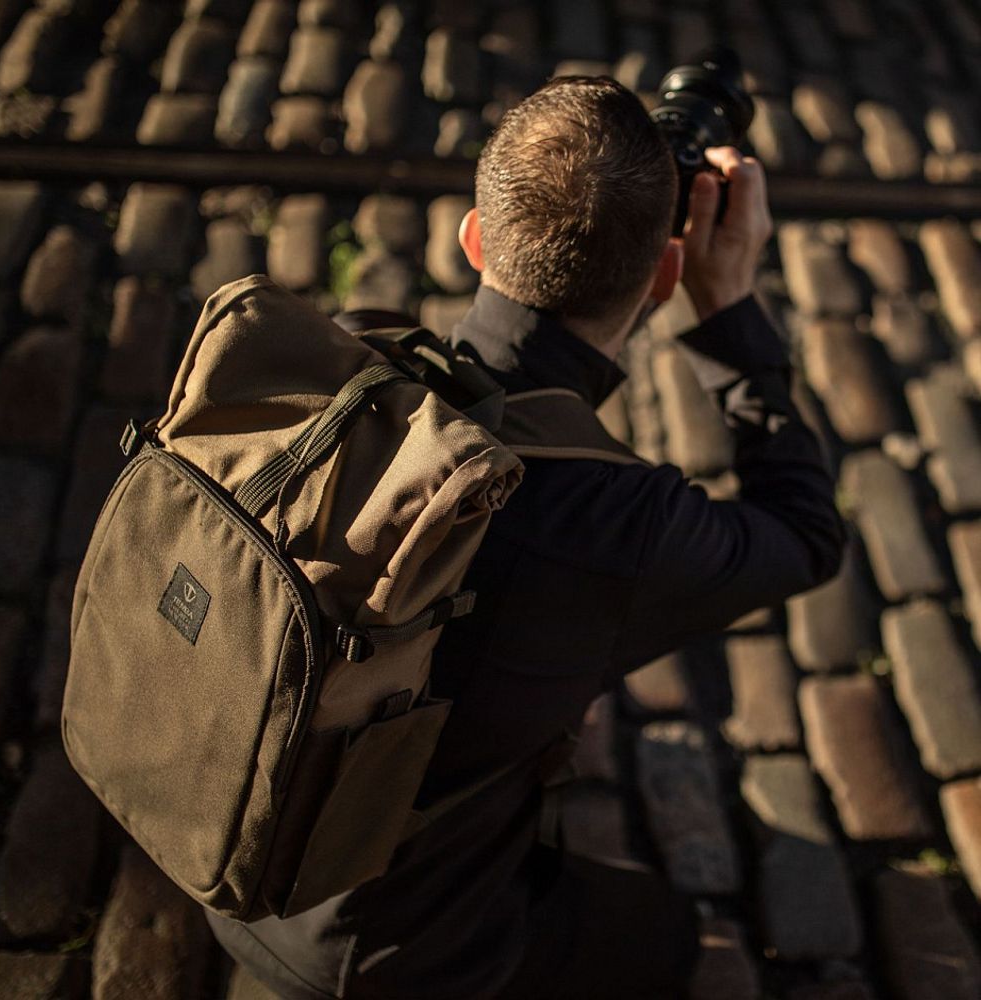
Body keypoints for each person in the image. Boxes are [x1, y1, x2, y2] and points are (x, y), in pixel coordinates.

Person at [209, 76, 845, 999]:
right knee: (667, 941)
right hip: (389, 959)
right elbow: (806, 533)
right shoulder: (619, 525)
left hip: (220, 846)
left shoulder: (344, 367)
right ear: (664, 276)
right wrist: (728, 310)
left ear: (473, 238)